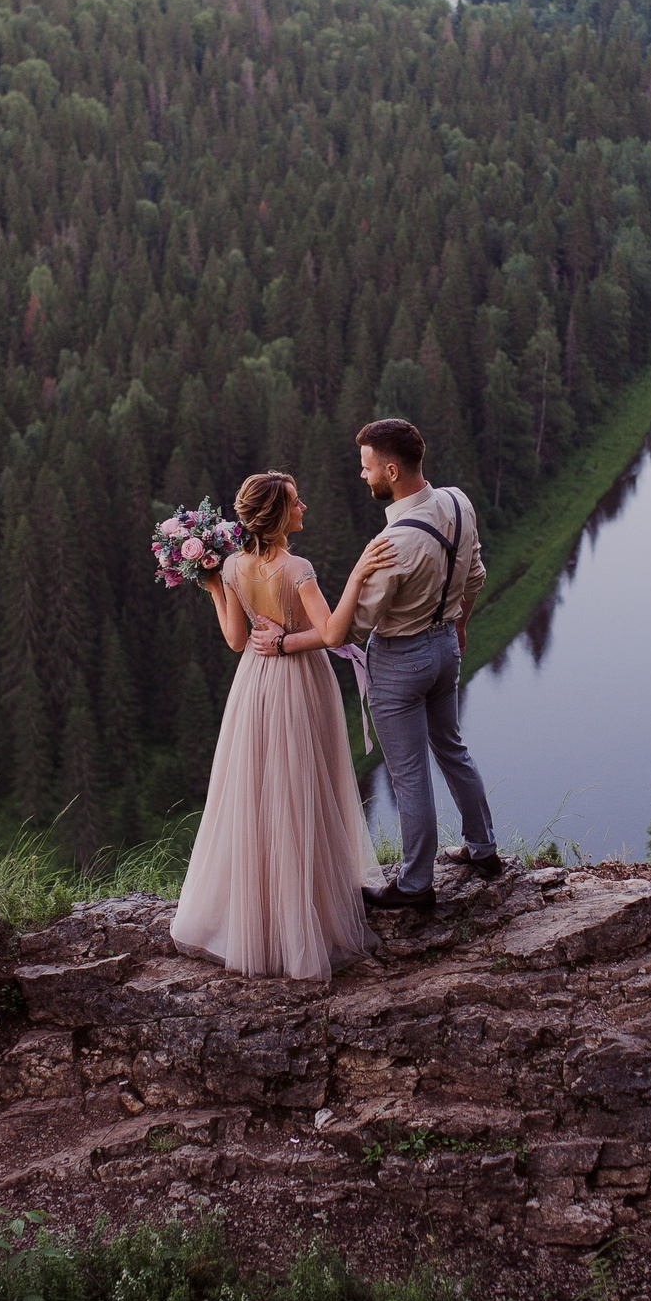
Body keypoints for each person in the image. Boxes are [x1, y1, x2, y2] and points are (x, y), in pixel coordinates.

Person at [255, 417, 499, 912]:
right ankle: (484, 851)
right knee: (452, 748)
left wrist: (283, 644)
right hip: (445, 647)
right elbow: (475, 572)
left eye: (367, 467)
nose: (362, 475)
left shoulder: (393, 545)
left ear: (391, 470)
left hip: (399, 663)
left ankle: (414, 885)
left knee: (409, 775)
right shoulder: (457, 501)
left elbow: (344, 630)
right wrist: (461, 624)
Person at [170, 471, 395, 980]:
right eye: (296, 502)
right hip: (298, 684)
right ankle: (302, 918)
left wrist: (212, 588)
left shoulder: (230, 566)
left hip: (254, 685)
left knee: (258, 793)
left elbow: (234, 640)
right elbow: (334, 631)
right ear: (277, 518)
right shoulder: (297, 568)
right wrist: (358, 573)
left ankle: (258, 919)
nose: (305, 508)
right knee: (301, 790)